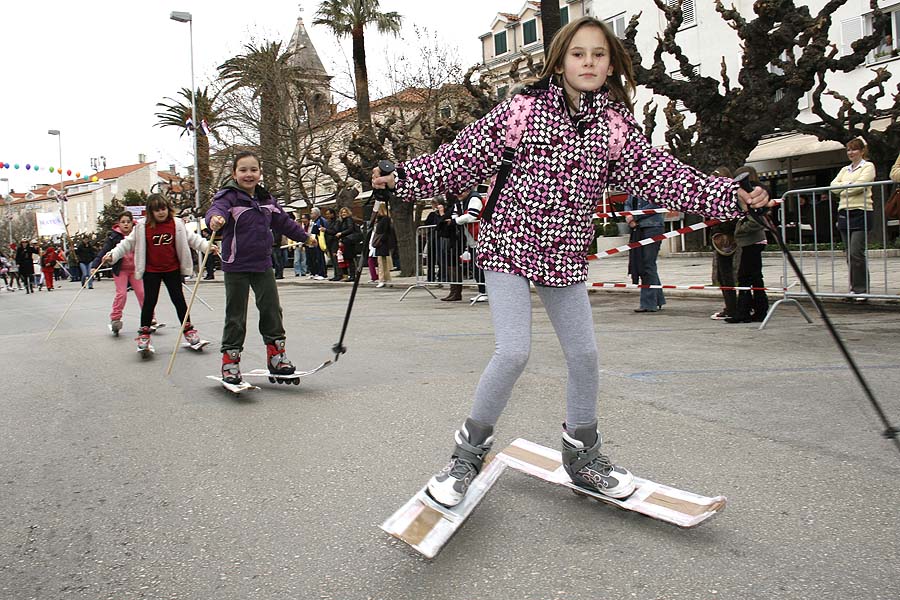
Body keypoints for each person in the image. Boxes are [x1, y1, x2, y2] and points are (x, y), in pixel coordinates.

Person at [372, 15, 772, 508]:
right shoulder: (523, 109)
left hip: (563, 251)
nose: (588, 62)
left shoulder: (613, 125)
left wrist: (728, 194)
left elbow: (658, 173)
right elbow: (461, 156)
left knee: (584, 355)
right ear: (560, 60)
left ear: (610, 64)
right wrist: (403, 178)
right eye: (578, 53)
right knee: (514, 351)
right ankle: (465, 456)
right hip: (508, 246)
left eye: (599, 54)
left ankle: (582, 455)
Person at [206, 151, 318, 384]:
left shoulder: (267, 200)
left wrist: (305, 237)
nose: (249, 174)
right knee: (236, 314)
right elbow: (214, 211)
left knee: (271, 309)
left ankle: (276, 356)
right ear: (234, 174)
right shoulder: (228, 197)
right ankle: (230, 361)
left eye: (253, 170)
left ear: (260, 173)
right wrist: (214, 220)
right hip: (236, 264)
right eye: (243, 170)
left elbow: (284, 222)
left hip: (262, 263)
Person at [102, 193, 212, 353]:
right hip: (151, 271)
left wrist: (208, 247)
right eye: (156, 210)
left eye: (164, 209)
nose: (161, 212)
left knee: (179, 301)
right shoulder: (141, 227)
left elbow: (193, 239)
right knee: (149, 302)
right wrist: (112, 255)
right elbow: (126, 244)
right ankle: (144, 334)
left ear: (168, 208)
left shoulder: (177, 224)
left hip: (172, 269)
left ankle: (189, 332)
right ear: (150, 212)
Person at [831, 137, 875, 300]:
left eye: (854, 149)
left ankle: (862, 289)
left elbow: (860, 186)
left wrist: (845, 187)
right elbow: (833, 187)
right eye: (848, 149)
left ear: (862, 151)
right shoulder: (844, 170)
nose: (851, 152)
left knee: (857, 251)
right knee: (849, 253)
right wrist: (848, 186)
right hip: (844, 211)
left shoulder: (868, 166)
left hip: (861, 210)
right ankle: (855, 288)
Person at [724, 167, 770, 323]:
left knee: (746, 277)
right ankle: (758, 310)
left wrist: (739, 230)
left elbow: (756, 221)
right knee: (754, 277)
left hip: (753, 241)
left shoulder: (752, 195)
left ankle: (744, 311)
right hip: (752, 241)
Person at [92, 211, 145, 335]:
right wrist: (95, 265)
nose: (126, 224)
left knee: (142, 293)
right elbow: (104, 251)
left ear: (133, 223)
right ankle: (115, 318)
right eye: (123, 222)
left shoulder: (139, 234)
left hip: (136, 269)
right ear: (118, 224)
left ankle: (150, 317)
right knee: (122, 294)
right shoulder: (113, 237)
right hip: (120, 270)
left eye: (128, 222)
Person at [624, 194, 666, 312]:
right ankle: (657, 299)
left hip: (652, 227)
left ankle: (648, 303)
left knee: (647, 264)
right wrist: (629, 216)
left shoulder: (653, 186)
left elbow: (655, 204)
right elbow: (627, 203)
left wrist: (634, 216)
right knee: (645, 263)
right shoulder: (633, 187)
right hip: (638, 228)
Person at [707, 166, 738, 320]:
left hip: (727, 238)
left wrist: (717, 226)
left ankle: (733, 308)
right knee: (722, 274)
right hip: (720, 236)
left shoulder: (729, 196)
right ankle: (731, 306)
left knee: (727, 275)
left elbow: (730, 220)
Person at [450, 187, 488, 302]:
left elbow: (472, 216)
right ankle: (482, 291)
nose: (458, 194)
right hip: (472, 240)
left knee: (481, 267)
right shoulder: (460, 202)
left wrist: (456, 221)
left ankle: (485, 292)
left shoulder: (474, 198)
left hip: (481, 238)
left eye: (461, 191)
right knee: (476, 267)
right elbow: (454, 214)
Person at [371, 202, 396, 288]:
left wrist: (380, 241)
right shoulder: (385, 219)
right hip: (383, 242)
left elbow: (384, 232)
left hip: (382, 243)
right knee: (384, 262)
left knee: (381, 262)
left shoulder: (383, 219)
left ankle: (382, 279)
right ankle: (387, 279)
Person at [334, 206, 362, 281]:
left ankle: (352, 275)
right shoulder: (342, 221)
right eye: (342, 212)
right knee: (346, 259)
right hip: (346, 241)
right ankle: (349, 275)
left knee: (350, 259)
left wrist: (341, 233)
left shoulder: (349, 220)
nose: (343, 214)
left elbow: (350, 229)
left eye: (345, 212)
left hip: (349, 242)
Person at [307, 208, 327, 280]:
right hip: (315, 241)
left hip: (320, 241)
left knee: (320, 258)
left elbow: (322, 231)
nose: (311, 214)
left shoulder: (320, 220)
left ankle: (323, 273)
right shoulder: (314, 221)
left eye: (312, 213)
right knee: (316, 258)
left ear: (316, 214)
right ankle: (316, 272)